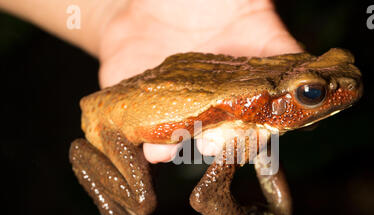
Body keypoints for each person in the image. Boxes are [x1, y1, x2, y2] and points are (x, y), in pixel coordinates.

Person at [0, 0, 302, 163]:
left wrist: (112, 15)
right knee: (144, 202)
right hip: (114, 125)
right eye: (310, 92)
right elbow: (205, 199)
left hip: (153, 86)